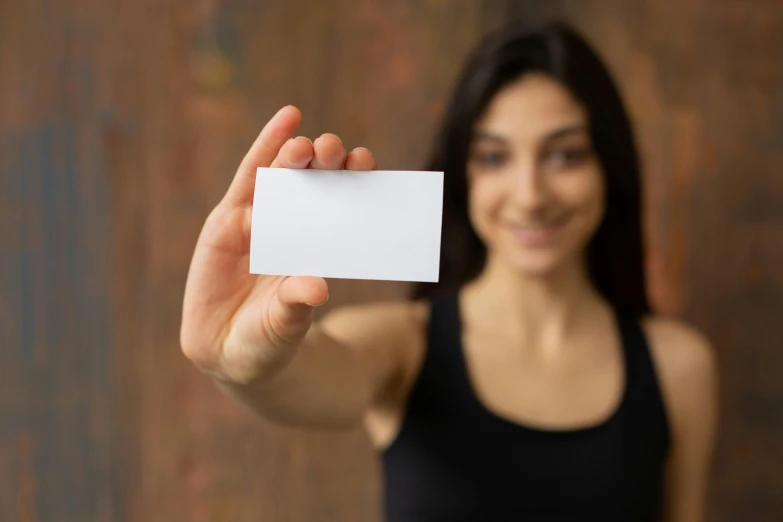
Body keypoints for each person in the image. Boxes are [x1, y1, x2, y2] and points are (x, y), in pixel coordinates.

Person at [180, 21, 718, 522]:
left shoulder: (679, 368)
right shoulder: (403, 345)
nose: (530, 197)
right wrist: (242, 363)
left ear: (609, 168)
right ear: (463, 176)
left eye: (565, 155)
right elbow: (307, 378)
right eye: (493, 158)